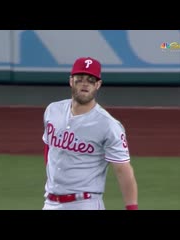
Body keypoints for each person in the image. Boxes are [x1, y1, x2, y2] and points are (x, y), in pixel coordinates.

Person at [41, 57, 138, 210]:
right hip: (50, 202)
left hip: (85, 203)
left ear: (98, 85)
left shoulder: (108, 125)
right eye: (80, 79)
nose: (85, 83)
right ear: (71, 81)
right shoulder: (53, 110)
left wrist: (132, 208)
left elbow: (123, 169)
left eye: (91, 80)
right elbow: (49, 147)